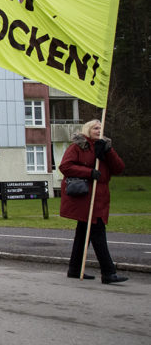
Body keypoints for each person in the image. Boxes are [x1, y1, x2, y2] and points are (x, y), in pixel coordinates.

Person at [59, 119, 127, 284]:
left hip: (100, 195)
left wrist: (108, 151)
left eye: (100, 127)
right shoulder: (78, 146)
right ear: (88, 130)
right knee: (97, 232)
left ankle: (74, 269)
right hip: (85, 197)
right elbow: (65, 166)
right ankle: (108, 272)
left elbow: (119, 168)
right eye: (96, 128)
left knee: (83, 233)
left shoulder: (104, 147)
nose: (99, 130)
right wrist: (89, 172)